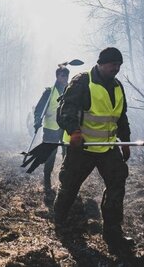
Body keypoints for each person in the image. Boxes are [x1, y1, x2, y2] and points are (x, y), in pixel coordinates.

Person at [53, 47, 134, 254]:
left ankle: (112, 233)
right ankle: (60, 222)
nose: (116, 68)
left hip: (108, 148)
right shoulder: (82, 81)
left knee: (117, 184)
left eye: (118, 65)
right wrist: (74, 132)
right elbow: (65, 111)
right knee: (69, 187)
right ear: (100, 63)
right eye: (112, 64)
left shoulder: (118, 87)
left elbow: (121, 116)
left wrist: (125, 141)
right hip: (83, 148)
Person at [33, 66, 70, 200]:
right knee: (50, 156)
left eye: (66, 75)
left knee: (68, 155)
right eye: (62, 75)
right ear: (57, 77)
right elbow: (39, 109)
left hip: (66, 129)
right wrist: (37, 120)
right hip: (50, 128)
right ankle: (47, 182)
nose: (64, 78)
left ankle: (65, 182)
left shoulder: (71, 91)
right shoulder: (49, 93)